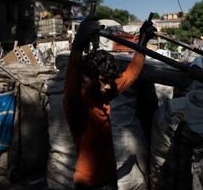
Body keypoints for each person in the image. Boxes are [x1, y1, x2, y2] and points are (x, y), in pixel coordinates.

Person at [63, 18, 156, 190]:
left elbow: (131, 73)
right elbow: (71, 80)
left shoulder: (103, 94)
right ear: (87, 78)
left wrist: (143, 41)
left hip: (109, 180)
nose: (108, 87)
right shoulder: (78, 104)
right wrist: (78, 43)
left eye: (109, 82)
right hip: (88, 184)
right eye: (103, 81)